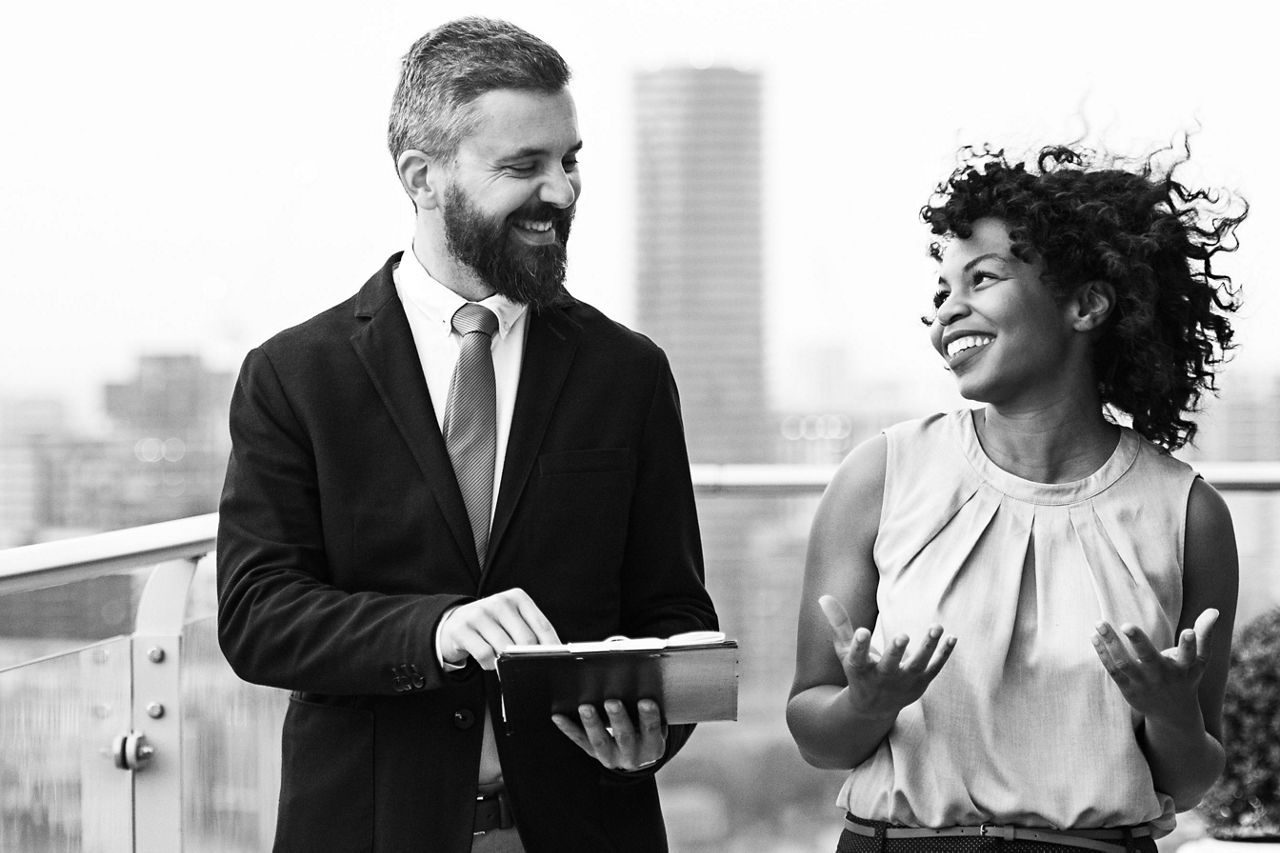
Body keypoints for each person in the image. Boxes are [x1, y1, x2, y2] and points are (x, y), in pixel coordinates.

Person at [216, 17, 717, 853]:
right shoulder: (294, 375)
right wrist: (438, 630)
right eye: (523, 166)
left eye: (569, 160)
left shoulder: (628, 371)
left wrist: (651, 737)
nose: (559, 191)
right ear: (422, 176)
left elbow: (673, 610)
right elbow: (258, 613)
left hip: (586, 828)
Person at [787, 139, 1245, 852]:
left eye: (982, 279)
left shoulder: (1189, 514)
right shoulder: (879, 476)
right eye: (943, 292)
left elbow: (1189, 780)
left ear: (1086, 304)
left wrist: (1173, 714)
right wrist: (866, 703)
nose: (946, 315)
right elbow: (816, 734)